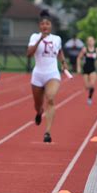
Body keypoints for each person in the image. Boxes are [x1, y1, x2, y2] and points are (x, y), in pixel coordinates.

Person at [27, 9, 68, 143]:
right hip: (38, 75)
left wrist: (63, 62)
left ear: (51, 26)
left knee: (50, 98)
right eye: (43, 24)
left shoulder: (57, 39)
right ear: (40, 26)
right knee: (37, 105)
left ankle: (47, 132)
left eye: (48, 24)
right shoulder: (34, 37)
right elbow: (29, 53)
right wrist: (40, 39)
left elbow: (59, 51)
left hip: (52, 74)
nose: (45, 26)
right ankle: (39, 112)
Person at [76, 36, 97, 105]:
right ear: (87, 42)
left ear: (94, 42)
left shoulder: (96, 50)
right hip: (85, 69)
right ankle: (89, 92)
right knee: (87, 86)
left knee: (92, 84)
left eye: (92, 40)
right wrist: (78, 67)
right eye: (89, 41)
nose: (90, 42)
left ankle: (90, 98)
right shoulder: (84, 49)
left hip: (93, 69)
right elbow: (79, 58)